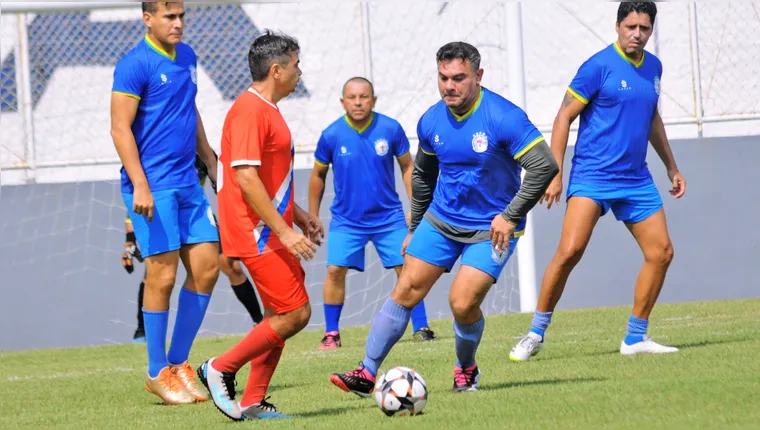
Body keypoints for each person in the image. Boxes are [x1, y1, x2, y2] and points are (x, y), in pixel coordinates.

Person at [329, 41, 558, 396]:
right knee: (405, 288)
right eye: (443, 77)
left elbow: (544, 166)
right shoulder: (432, 119)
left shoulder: (503, 117)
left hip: (490, 229)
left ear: (478, 76)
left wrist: (510, 216)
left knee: (462, 303)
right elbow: (422, 175)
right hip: (441, 220)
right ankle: (366, 372)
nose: (449, 85)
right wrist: (415, 226)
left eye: (459, 78)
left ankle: (466, 369)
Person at [509, 1, 686, 362]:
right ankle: (535, 333)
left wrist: (671, 165)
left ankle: (636, 337)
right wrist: (554, 173)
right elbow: (563, 118)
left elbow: (652, 118)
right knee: (570, 251)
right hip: (592, 176)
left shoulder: (654, 67)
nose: (637, 34)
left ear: (651, 30)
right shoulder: (597, 67)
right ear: (618, 26)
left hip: (636, 179)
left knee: (661, 253)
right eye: (631, 27)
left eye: (644, 28)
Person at [197, 30, 323, 421]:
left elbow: (265, 179)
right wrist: (283, 231)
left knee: (278, 313)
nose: (300, 71)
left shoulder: (267, 109)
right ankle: (220, 368)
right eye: (295, 64)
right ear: (276, 69)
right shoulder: (250, 110)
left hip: (270, 227)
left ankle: (253, 401)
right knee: (295, 314)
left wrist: (297, 214)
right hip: (256, 232)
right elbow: (246, 178)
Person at [110, 1, 219, 405]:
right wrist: (139, 183)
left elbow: (187, 108)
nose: (177, 24)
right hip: (152, 187)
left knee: (208, 268)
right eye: (169, 17)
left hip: (188, 182)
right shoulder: (133, 64)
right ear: (148, 19)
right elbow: (120, 128)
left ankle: (178, 363)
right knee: (163, 277)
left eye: (181, 16)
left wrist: (207, 154)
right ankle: (157, 372)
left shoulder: (186, 56)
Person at [308, 77, 436, 351]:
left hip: (388, 218)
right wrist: (312, 215)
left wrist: (416, 208)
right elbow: (317, 175)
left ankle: (421, 327)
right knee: (334, 270)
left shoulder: (390, 128)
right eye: (352, 97)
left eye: (363, 97)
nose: (358, 102)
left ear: (373, 99)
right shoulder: (331, 135)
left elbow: (407, 167)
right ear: (343, 101)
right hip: (346, 220)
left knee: (409, 268)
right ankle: (331, 333)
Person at [122, 155, 264, 345]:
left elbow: (225, 186)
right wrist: (129, 242)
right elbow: (137, 198)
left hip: (195, 217)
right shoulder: (157, 154)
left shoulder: (203, 154)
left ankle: (259, 321)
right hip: (164, 216)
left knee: (232, 266)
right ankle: (142, 331)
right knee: (156, 274)